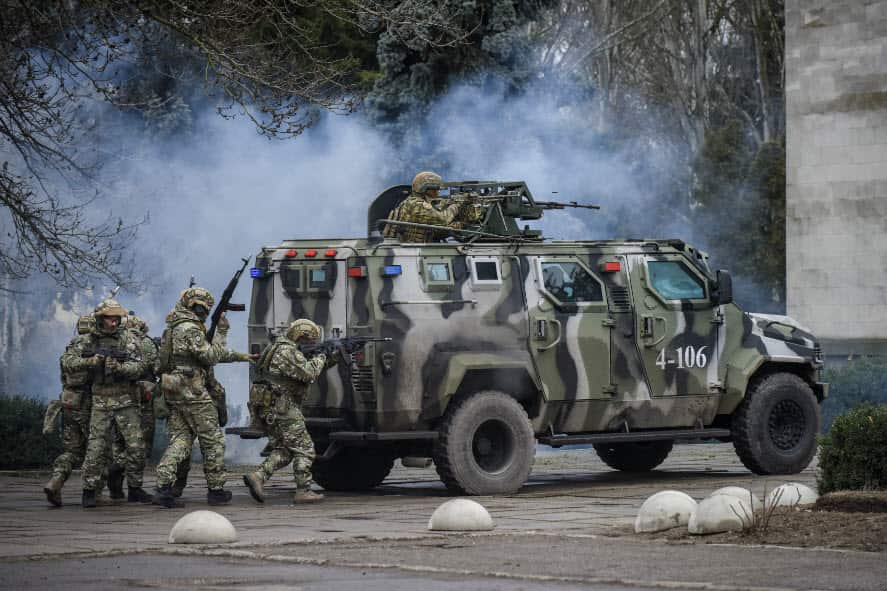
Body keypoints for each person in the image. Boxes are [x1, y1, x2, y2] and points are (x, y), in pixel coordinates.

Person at [151, 287, 252, 508]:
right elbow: (210, 356)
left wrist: (242, 356)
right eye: (203, 308)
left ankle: (162, 487)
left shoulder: (174, 327)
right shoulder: (190, 328)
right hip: (193, 392)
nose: (204, 312)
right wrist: (222, 332)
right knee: (213, 440)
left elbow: (202, 355)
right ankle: (216, 490)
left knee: (180, 440)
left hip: (176, 391)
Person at [61, 299, 152, 508]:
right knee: (96, 448)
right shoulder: (85, 340)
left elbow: (140, 367)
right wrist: (90, 361)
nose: (114, 323)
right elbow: (67, 362)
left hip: (126, 401)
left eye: (117, 319)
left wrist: (120, 367)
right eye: (111, 319)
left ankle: (135, 488)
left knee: (137, 446)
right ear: (101, 319)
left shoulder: (128, 339)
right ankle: (89, 490)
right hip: (100, 401)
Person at [242, 319, 336, 504]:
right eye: (309, 340)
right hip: (283, 408)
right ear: (301, 336)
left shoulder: (276, 347)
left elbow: (301, 370)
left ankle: (258, 476)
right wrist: (322, 356)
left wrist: (330, 356)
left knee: (285, 449)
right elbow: (309, 373)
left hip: (272, 407)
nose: (310, 344)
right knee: (305, 449)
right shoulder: (287, 351)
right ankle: (303, 490)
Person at [43, 315, 101, 507]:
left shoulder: (70, 348)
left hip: (68, 402)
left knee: (72, 451)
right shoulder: (93, 347)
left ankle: (56, 481)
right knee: (97, 448)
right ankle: (95, 491)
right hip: (88, 404)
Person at [383, 171, 463, 242]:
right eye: (435, 189)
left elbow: (435, 228)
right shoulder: (415, 204)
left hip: (415, 248)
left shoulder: (413, 201)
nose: (438, 192)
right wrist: (456, 206)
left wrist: (458, 226)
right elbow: (443, 219)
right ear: (425, 189)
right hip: (411, 250)